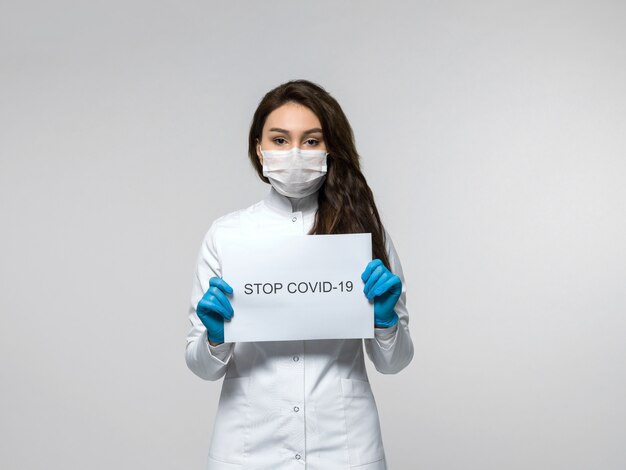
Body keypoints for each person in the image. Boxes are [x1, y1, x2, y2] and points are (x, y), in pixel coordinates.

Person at [185, 79, 414, 470]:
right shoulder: (228, 236)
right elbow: (202, 367)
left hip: (344, 449)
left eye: (311, 141)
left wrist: (386, 322)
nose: (294, 152)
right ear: (258, 148)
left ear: (330, 149)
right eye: (279, 140)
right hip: (249, 450)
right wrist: (215, 338)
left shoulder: (362, 234)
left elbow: (394, 362)